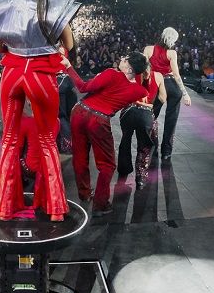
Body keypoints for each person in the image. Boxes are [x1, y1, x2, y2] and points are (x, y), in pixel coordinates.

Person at [0, 0, 79, 221]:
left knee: (10, 140)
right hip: (41, 76)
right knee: (46, 141)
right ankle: (54, 208)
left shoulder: (8, 8)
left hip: (12, 74)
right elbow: (68, 43)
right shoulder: (52, 7)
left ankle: (5, 206)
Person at [62, 52, 149, 215]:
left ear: (129, 68)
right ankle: (100, 204)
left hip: (80, 112)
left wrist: (68, 67)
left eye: (124, 59)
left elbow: (82, 87)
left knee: (80, 157)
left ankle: (85, 194)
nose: (120, 58)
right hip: (99, 121)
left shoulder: (110, 73)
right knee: (107, 165)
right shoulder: (139, 92)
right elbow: (140, 86)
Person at [118, 60, 167, 189]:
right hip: (145, 114)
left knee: (125, 140)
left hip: (128, 112)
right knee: (145, 145)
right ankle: (140, 177)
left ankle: (123, 170)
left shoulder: (131, 74)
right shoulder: (158, 76)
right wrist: (152, 110)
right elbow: (163, 98)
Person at [144, 27, 191, 160]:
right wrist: (185, 93)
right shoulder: (172, 53)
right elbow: (176, 74)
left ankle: (152, 148)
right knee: (171, 120)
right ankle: (166, 151)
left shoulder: (148, 49)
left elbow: (144, 70)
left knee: (152, 116)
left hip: (157, 84)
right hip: (172, 86)